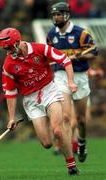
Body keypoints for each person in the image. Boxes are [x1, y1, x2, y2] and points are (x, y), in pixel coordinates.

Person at [0, 27, 79, 175]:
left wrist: (71, 81)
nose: (8, 51)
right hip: (31, 100)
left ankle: (71, 166)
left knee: (58, 130)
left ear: (18, 42)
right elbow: (10, 93)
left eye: (9, 47)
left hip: (50, 91)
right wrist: (11, 118)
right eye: (5, 49)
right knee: (47, 143)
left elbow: (65, 60)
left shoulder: (39, 48)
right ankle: (51, 124)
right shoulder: (8, 65)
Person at [47, 2, 98, 162]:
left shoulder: (80, 33)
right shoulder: (51, 35)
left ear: (67, 15)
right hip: (61, 76)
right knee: (66, 118)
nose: (56, 17)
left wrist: (78, 56)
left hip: (80, 77)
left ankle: (82, 143)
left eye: (59, 14)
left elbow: (93, 52)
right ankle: (70, 158)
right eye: (54, 14)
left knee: (81, 120)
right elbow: (48, 55)